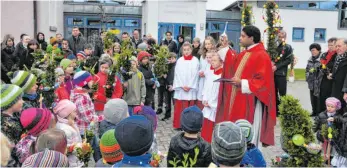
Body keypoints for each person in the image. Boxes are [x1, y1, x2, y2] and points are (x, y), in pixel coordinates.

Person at [216, 25, 276, 147]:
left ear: (252, 38)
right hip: (240, 98)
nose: (240, 38)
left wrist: (242, 83)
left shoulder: (261, 55)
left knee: (248, 135)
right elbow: (233, 63)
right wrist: (225, 46)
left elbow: (263, 82)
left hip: (251, 102)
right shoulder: (246, 52)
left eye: (243, 36)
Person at [172, 42, 200, 129]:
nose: (186, 51)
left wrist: (190, 86)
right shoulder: (180, 60)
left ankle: (189, 125)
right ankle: (179, 125)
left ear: (191, 50)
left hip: (191, 89)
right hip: (181, 88)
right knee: (180, 107)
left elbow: (196, 74)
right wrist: (182, 86)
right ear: (182, 51)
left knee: (190, 108)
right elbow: (177, 74)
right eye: (184, 50)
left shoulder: (195, 60)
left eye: (188, 50)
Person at [201, 52, 223, 143]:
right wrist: (204, 100)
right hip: (207, 105)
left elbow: (219, 93)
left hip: (214, 107)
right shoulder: (210, 74)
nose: (212, 62)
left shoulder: (221, 76)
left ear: (221, 62)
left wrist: (211, 103)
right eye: (211, 60)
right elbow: (206, 88)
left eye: (214, 60)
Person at [53, 100, 83, 167]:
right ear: (67, 114)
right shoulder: (65, 129)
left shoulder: (69, 123)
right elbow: (67, 149)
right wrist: (82, 147)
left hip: (76, 160)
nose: (76, 113)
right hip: (72, 163)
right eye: (74, 111)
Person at [313, 97, 341, 162]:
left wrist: (335, 120)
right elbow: (316, 124)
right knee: (321, 147)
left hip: (332, 137)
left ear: (336, 108)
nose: (329, 108)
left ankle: (329, 158)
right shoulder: (321, 115)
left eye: (332, 106)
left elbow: (340, 124)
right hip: (322, 135)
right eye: (328, 106)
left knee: (331, 148)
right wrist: (313, 129)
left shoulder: (338, 116)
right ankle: (319, 157)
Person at [273, 30, 293, 116]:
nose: (280, 38)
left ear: (285, 37)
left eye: (282, 37)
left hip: (281, 73)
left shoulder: (288, 47)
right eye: (279, 36)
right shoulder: (274, 47)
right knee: (273, 92)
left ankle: (284, 109)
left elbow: (289, 60)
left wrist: (277, 67)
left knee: (282, 93)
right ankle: (276, 109)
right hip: (272, 73)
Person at [318, 37, 338, 112]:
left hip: (333, 80)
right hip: (325, 78)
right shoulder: (325, 54)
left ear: (336, 45)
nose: (330, 47)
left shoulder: (337, 55)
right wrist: (327, 73)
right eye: (329, 45)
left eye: (332, 45)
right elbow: (322, 65)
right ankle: (322, 113)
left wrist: (331, 74)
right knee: (323, 96)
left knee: (331, 98)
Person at [197, 36, 216, 110]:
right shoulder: (202, 56)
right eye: (206, 44)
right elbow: (201, 66)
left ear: (212, 44)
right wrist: (200, 72)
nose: (207, 46)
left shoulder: (215, 54)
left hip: (210, 79)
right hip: (202, 80)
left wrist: (205, 73)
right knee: (201, 97)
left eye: (209, 44)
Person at [306, 43, 322, 117]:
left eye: (314, 50)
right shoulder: (310, 60)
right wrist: (307, 77)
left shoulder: (322, 59)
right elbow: (307, 70)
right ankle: (314, 111)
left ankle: (319, 113)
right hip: (311, 83)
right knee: (312, 98)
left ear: (318, 50)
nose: (313, 52)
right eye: (311, 50)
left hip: (319, 83)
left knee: (318, 99)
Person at [160, 52, 177, 121]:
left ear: (175, 59)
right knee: (167, 103)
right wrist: (164, 76)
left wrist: (172, 85)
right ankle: (167, 115)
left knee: (175, 103)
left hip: (173, 87)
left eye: (172, 58)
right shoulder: (166, 66)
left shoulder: (176, 66)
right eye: (169, 58)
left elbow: (177, 77)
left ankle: (176, 118)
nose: (171, 60)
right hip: (166, 86)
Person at [332, 38, 347, 111]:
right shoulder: (337, 57)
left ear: (346, 46)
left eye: (339, 46)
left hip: (343, 91)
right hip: (336, 89)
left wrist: (346, 91)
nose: (337, 48)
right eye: (336, 46)